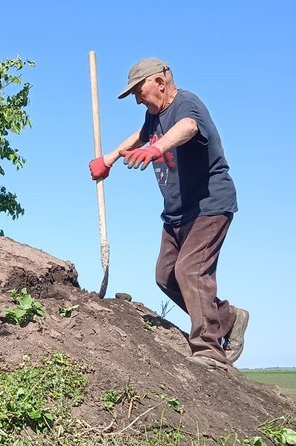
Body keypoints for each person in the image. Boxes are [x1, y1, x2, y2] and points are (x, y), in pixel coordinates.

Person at [88, 58, 249, 370]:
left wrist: (157, 148)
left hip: (208, 205)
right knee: (166, 275)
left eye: (139, 90)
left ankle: (208, 350)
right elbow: (139, 134)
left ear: (160, 81)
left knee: (190, 270)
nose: (137, 98)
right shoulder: (154, 117)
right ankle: (228, 318)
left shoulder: (187, 104)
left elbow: (188, 128)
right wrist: (109, 159)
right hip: (176, 213)